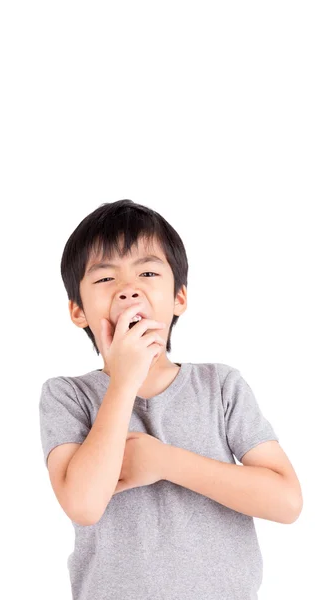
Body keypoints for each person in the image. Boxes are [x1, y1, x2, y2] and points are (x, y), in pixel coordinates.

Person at [39, 198, 303, 600]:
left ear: (179, 297)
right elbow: (83, 504)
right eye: (106, 279)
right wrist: (124, 381)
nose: (129, 290)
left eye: (147, 272)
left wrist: (164, 461)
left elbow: (286, 502)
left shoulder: (220, 385)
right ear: (78, 311)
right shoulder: (67, 395)